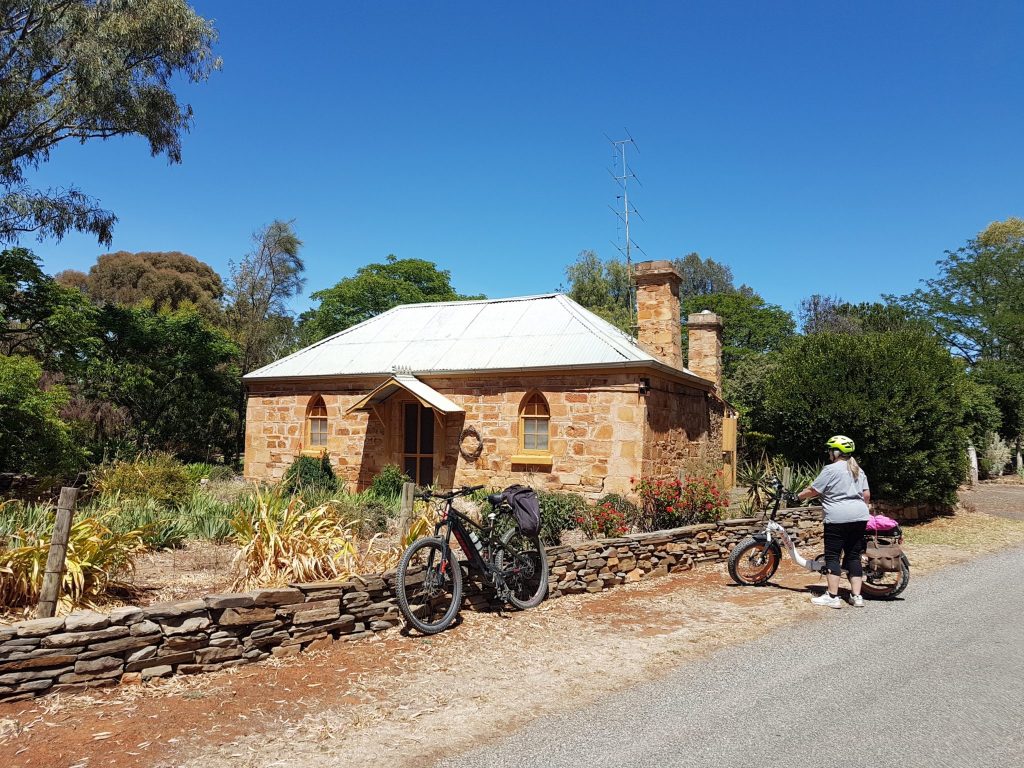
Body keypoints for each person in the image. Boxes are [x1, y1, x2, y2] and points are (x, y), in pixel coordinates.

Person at [797, 434, 870, 608]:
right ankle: (856, 596)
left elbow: (814, 490)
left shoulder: (830, 469)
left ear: (836, 452)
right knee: (853, 556)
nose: (829, 453)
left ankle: (832, 596)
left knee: (832, 556)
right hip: (860, 516)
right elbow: (866, 495)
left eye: (830, 450)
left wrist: (797, 496)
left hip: (837, 518)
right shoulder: (858, 469)